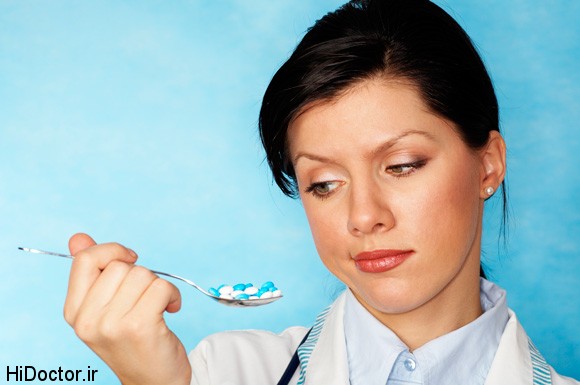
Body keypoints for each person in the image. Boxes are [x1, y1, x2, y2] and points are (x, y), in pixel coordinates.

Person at [63, 0, 579, 384]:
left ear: (488, 165)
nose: (363, 216)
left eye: (401, 166)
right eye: (324, 183)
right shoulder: (221, 374)